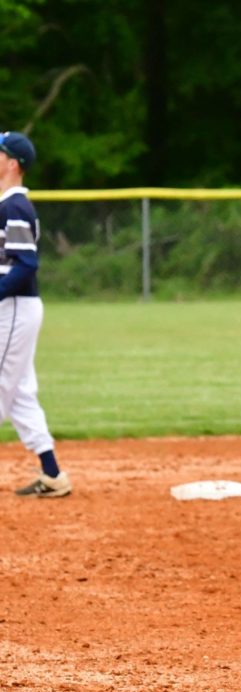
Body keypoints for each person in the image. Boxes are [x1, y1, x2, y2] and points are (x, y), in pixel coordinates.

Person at [0, 131, 72, 498]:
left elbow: (27, 264)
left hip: (14, 307)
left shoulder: (13, 206)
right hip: (16, 307)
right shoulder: (9, 205)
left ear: (12, 163)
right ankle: (53, 474)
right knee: (20, 394)